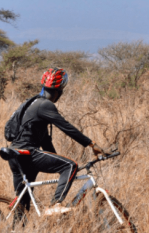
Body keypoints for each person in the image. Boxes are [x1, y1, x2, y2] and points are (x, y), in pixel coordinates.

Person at [8, 68, 107, 217]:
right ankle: (55, 204)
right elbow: (67, 127)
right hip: (28, 153)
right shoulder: (45, 105)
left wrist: (55, 160)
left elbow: (45, 140)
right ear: (59, 91)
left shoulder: (30, 103)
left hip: (14, 154)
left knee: (23, 204)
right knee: (70, 165)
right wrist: (92, 144)